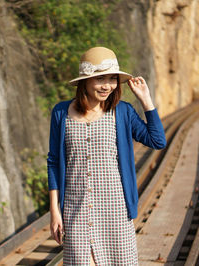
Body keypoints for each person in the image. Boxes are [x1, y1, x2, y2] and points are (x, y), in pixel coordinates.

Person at [47, 47, 166, 265]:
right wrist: (55, 210)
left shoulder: (123, 112)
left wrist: (146, 100)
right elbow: (54, 162)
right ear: (85, 81)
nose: (107, 86)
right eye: (100, 78)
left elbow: (157, 141)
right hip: (76, 210)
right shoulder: (61, 113)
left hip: (115, 212)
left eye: (112, 79)